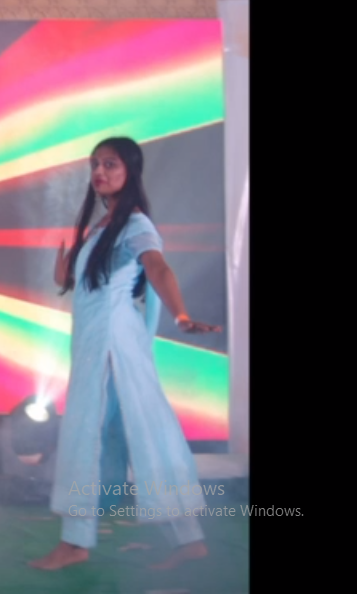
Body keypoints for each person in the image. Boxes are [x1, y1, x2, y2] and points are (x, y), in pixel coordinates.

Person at [29, 136, 220, 572]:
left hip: (112, 345)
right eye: (95, 164)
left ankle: (75, 542)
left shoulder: (135, 224)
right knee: (140, 431)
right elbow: (96, 284)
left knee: (88, 435)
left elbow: (157, 267)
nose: (99, 171)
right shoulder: (104, 225)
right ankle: (188, 539)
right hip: (100, 342)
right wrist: (67, 274)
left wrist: (181, 313)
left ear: (130, 170)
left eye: (110, 164)